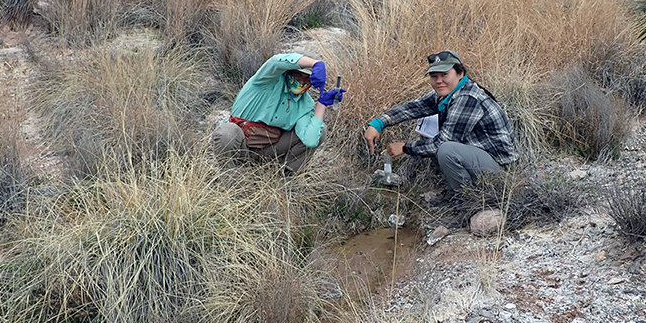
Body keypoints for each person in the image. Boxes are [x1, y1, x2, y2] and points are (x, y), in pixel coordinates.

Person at [363, 50, 518, 202]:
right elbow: (414, 108)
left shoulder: (467, 98)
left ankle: (468, 201)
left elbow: (440, 144)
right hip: (479, 158)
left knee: (445, 149)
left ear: (460, 73)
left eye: (444, 75)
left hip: (501, 171)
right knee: (434, 141)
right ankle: (454, 191)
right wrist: (379, 123)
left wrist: (404, 148)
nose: (439, 81)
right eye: (434, 76)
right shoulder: (449, 92)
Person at [212, 53, 345, 174]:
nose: (302, 81)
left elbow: (310, 140)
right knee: (226, 131)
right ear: (288, 72)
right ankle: (229, 178)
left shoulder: (306, 104)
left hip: (270, 151)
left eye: (308, 78)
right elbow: (275, 62)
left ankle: (283, 176)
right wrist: (314, 63)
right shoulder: (265, 82)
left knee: (321, 131)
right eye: (298, 75)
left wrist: (322, 104)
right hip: (242, 145)